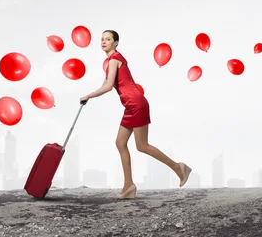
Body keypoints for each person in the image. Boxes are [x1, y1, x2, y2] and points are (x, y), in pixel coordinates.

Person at [80, 30, 192, 199]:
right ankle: (128, 186)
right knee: (120, 142)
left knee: (142, 145)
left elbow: (109, 86)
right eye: (102, 39)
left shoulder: (115, 58)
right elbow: (106, 83)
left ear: (116, 43)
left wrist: (88, 95)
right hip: (131, 105)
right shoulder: (111, 60)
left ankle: (178, 168)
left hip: (136, 104)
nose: (104, 41)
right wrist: (90, 95)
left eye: (108, 39)